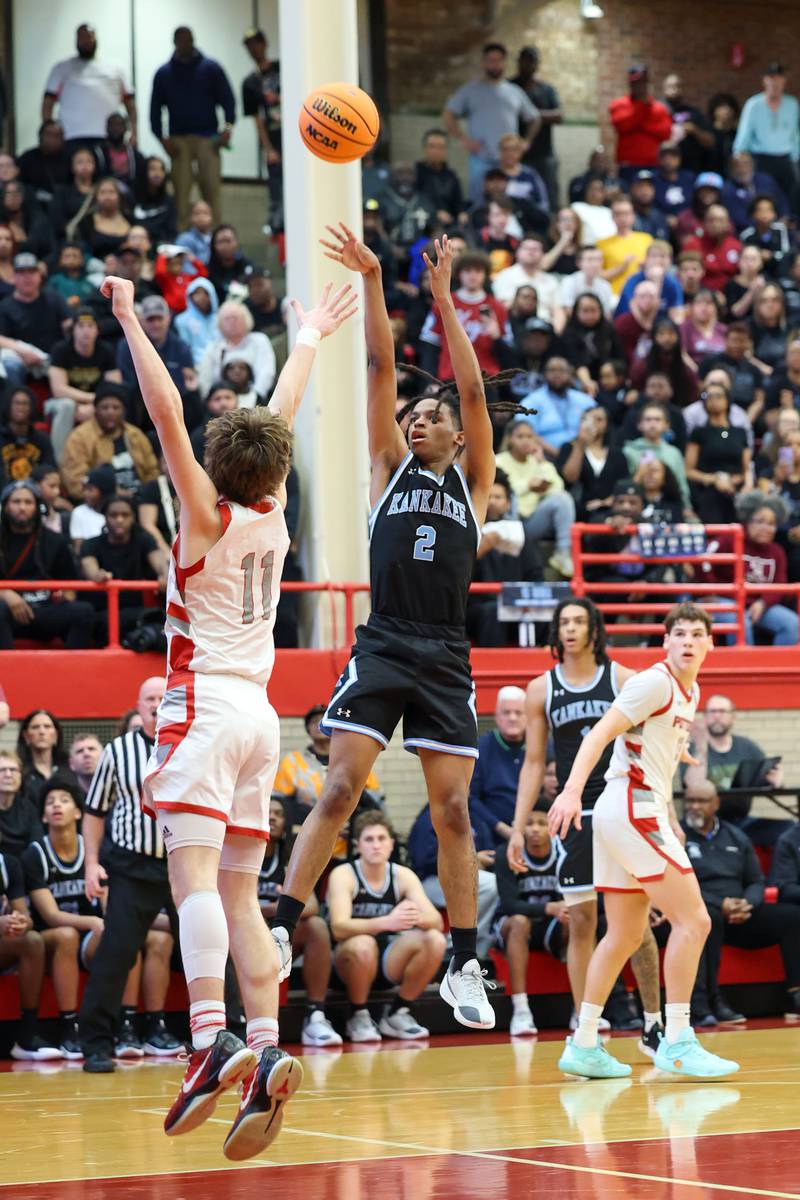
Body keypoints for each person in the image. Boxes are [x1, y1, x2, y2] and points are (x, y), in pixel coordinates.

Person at [103, 270, 354, 1152]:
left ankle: (208, 1040)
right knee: (244, 897)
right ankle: (265, 1042)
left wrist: (131, 318)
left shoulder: (205, 516)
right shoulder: (276, 512)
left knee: (194, 886)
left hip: (204, 702)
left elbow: (166, 413)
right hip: (262, 715)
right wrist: (313, 335)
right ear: (276, 467)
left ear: (219, 468)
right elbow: (278, 412)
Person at [271, 227, 499, 1032]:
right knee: (336, 789)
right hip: (386, 638)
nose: (418, 422)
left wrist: (442, 301)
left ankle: (468, 963)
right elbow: (376, 366)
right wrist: (373, 281)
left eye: (432, 417)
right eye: (414, 416)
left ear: (459, 438)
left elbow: (472, 394)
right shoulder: (385, 468)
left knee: (455, 816)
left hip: (445, 652)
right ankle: (278, 923)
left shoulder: (472, 482)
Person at [549, 602, 739, 1080]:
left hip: (627, 810)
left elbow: (654, 745)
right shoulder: (653, 681)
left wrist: (682, 757)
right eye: (680, 633)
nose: (689, 641)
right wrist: (571, 791)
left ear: (711, 644)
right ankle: (677, 1038)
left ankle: (584, 1041)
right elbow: (599, 734)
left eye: (698, 634)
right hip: (631, 808)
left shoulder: (688, 690)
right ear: (666, 641)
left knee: (626, 933)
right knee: (694, 920)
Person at [509, 598, 666, 1055]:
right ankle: (586, 1028)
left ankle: (653, 1024)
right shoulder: (541, 689)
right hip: (575, 814)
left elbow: (647, 747)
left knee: (635, 922)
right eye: (564, 623)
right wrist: (518, 828)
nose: (571, 629)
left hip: (621, 807)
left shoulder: (623, 679)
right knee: (582, 919)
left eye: (579, 621)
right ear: (555, 633)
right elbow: (534, 763)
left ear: (595, 629)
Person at [76, 678, 183, 1070]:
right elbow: (94, 811)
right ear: (138, 707)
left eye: (164, 698)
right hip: (131, 867)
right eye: (150, 699)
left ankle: (225, 1036)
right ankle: (96, 1044)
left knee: (207, 949)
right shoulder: (117, 751)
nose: (157, 705)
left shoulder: (193, 744)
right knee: (115, 954)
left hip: (183, 865)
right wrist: (91, 863)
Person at [683, 781, 800, 1023]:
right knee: (707, 918)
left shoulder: (736, 836)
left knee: (791, 916)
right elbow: (680, 886)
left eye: (701, 801)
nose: (695, 807)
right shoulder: (679, 838)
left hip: (741, 914)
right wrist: (719, 903)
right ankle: (708, 1002)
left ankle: (795, 995)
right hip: (704, 911)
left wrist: (748, 903)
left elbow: (757, 881)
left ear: (716, 804)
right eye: (690, 801)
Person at [327, 812, 446, 1042]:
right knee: (363, 943)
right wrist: (386, 922)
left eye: (382, 839)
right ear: (357, 845)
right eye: (369, 840)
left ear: (391, 844)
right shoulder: (344, 874)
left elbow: (436, 921)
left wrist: (412, 917)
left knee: (435, 940)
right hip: (347, 963)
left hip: (388, 960)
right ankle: (358, 1015)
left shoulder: (402, 875)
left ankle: (398, 1013)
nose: (376, 845)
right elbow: (338, 928)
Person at [258, 796, 341, 1047]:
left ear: (287, 823)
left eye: (278, 814)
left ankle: (316, 1014)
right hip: (244, 932)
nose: (272, 817)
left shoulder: (289, 859)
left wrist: (267, 909)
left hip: (274, 927)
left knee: (317, 927)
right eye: (267, 811)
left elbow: (313, 905)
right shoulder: (240, 852)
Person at [150, 26, 236, 228]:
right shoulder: (164, 73)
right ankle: (182, 236)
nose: (185, 44)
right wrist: (161, 138)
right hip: (179, 139)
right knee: (181, 191)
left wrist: (228, 127)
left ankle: (214, 235)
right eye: (180, 40)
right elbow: (155, 109)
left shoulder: (211, 68)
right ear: (174, 43)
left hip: (208, 137)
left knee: (211, 188)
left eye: (188, 40)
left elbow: (228, 100)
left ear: (193, 40)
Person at [495, 806, 566, 1036]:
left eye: (541, 823)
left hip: (550, 926)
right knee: (519, 921)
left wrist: (560, 910)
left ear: (552, 826)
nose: (535, 829)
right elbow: (509, 904)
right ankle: (521, 1010)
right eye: (529, 823)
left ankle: (581, 1010)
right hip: (512, 927)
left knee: (577, 921)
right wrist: (549, 907)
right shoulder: (507, 852)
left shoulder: (564, 853)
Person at [0, 481, 95, 650]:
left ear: (37, 507)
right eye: (16, 502)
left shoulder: (55, 541)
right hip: (7, 613)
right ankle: (6, 673)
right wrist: (6, 594)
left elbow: (71, 585)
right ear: (5, 506)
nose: (22, 507)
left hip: (44, 610)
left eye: (28, 502)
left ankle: (71, 672)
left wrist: (64, 595)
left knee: (84, 612)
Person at [443, 43, 540, 202]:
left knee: (510, 202)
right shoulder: (471, 90)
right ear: (483, 62)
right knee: (479, 200)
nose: (495, 64)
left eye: (499, 60)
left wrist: (526, 142)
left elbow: (535, 118)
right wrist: (463, 140)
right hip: (481, 158)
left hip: (509, 161)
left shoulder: (514, 91)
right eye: (491, 60)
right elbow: (448, 114)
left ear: (505, 63)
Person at [0, 834, 62, 1061]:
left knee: (33, 940)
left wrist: (22, 922)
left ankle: (28, 1033)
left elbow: (24, 913)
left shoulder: (8, 864)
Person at [495, 417, 576, 575]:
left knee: (563, 499)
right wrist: (528, 486)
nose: (526, 441)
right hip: (508, 519)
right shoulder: (499, 461)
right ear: (510, 439)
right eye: (520, 437)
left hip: (532, 521)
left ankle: (563, 553)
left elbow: (558, 488)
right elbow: (498, 491)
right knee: (508, 500)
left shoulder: (538, 462)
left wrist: (542, 463)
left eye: (530, 437)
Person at [695, 694, 785, 833]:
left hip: (741, 822)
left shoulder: (747, 748)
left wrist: (776, 782)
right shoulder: (693, 749)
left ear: (733, 716)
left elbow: (764, 778)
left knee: (787, 829)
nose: (717, 716)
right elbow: (688, 785)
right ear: (705, 716)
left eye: (722, 711)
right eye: (712, 711)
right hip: (703, 822)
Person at [42, 23, 137, 151]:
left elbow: (130, 104)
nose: (86, 41)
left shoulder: (117, 68)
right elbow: (48, 103)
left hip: (109, 137)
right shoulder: (61, 68)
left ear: (95, 38)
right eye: (82, 37)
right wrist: (49, 133)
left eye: (89, 36)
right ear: (76, 40)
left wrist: (134, 132)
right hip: (70, 136)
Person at [59, 382, 159, 502]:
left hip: (140, 498)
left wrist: (148, 493)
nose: (110, 412)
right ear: (95, 410)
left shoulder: (135, 434)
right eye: (104, 407)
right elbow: (75, 482)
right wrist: (114, 493)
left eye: (116, 408)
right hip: (102, 501)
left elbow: (152, 471)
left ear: (124, 411)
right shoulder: (79, 437)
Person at [419, 251, 511, 381]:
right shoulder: (442, 303)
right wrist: (430, 380)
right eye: (468, 271)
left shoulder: (498, 308)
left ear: (485, 275)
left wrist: (497, 337)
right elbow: (429, 345)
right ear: (459, 274)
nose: (473, 276)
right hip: (450, 378)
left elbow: (510, 356)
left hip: (487, 379)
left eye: (478, 271)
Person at [47, 308, 122, 461]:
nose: (86, 331)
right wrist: (93, 400)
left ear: (97, 330)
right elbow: (58, 390)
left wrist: (95, 406)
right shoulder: (61, 350)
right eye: (81, 326)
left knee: (113, 406)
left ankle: (110, 461)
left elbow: (115, 388)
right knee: (66, 405)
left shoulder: (106, 351)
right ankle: (60, 462)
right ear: (73, 330)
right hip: (60, 403)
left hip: (94, 403)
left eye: (90, 326)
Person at [732, 63, 799, 207]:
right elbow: (744, 132)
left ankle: (791, 226)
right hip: (761, 158)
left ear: (784, 80)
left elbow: (796, 133)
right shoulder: (753, 104)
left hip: (786, 159)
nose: (775, 82)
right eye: (771, 77)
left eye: (779, 78)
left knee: (792, 197)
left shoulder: (792, 104)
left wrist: (796, 157)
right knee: (764, 196)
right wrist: (738, 153)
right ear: (764, 80)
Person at [0, 254, 70, 389]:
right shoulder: (5, 306)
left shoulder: (54, 298)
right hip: (21, 358)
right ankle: (14, 403)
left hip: (53, 359)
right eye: (21, 272)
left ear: (39, 275)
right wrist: (23, 351)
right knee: (7, 360)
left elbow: (69, 326)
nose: (27, 277)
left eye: (32, 271)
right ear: (13, 277)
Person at [685, 381, 751, 522]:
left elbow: (747, 467)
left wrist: (744, 483)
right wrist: (715, 479)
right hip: (709, 488)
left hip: (737, 488)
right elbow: (689, 470)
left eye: (718, 396)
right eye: (708, 396)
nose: (713, 400)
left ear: (727, 400)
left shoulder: (739, 432)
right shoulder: (699, 433)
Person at [468, 687, 527, 844]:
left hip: (535, 834)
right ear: (497, 716)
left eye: (518, 712)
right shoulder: (481, 748)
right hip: (491, 837)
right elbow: (472, 798)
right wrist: (501, 828)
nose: (512, 718)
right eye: (506, 713)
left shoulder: (542, 747)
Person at [510, 46, 562, 209]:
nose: (528, 65)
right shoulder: (510, 87)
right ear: (518, 62)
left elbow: (559, 115)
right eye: (524, 61)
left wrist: (532, 114)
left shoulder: (546, 89)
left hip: (543, 152)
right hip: (514, 153)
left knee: (549, 195)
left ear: (537, 64)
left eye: (532, 61)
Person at [241, 29, 283, 232]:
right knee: (276, 185)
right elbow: (256, 119)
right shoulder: (249, 83)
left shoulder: (282, 68)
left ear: (264, 44)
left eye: (256, 43)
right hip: (273, 138)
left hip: (299, 134)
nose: (254, 48)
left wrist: (280, 99)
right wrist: (268, 149)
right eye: (249, 45)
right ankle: (277, 225)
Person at [557, 405, 630, 519]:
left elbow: (623, 485)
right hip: (576, 509)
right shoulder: (568, 448)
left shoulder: (617, 455)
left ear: (607, 425)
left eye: (599, 419)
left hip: (609, 510)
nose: (592, 423)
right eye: (587, 419)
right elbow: (569, 478)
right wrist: (580, 444)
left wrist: (605, 502)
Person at [198, 301, 277, 399]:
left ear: (246, 319)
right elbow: (205, 378)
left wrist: (256, 397)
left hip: (254, 399)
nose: (232, 322)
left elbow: (267, 371)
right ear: (220, 324)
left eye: (235, 318)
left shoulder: (259, 340)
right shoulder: (213, 347)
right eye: (227, 318)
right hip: (222, 402)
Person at [623, 401, 692, 512]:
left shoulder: (674, 453)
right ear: (639, 424)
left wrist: (687, 507)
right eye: (648, 419)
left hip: (670, 507)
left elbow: (681, 485)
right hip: (635, 508)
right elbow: (624, 485)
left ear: (666, 425)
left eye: (657, 419)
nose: (652, 424)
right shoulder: (628, 451)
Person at [521, 356, 594, 455]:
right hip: (545, 456)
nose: (557, 374)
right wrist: (558, 455)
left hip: (584, 454)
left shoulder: (585, 401)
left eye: (562, 370)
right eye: (552, 370)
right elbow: (526, 432)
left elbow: (600, 425)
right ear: (545, 374)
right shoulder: (532, 401)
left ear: (570, 374)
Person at [608, 66, 672, 177]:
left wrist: (639, 125)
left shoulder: (659, 108)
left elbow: (666, 133)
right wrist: (642, 107)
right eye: (636, 82)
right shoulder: (618, 105)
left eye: (643, 82)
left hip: (653, 164)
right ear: (630, 84)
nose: (640, 86)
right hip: (628, 164)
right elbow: (622, 126)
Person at [492, 236, 559, 322]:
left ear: (543, 254)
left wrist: (555, 332)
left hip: (544, 327)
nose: (531, 252)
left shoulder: (551, 281)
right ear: (517, 253)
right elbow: (501, 307)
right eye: (526, 248)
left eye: (535, 249)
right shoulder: (505, 276)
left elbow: (558, 311)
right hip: (514, 325)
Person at [597, 197, 653, 297]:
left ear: (633, 215)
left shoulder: (646, 239)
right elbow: (598, 276)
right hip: (614, 296)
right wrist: (622, 267)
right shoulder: (602, 244)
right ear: (612, 217)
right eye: (618, 214)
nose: (622, 218)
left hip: (643, 296)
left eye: (626, 213)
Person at [721, 151, 789, 233]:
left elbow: (782, 201)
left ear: (752, 164)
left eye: (745, 163)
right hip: (747, 231)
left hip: (775, 226)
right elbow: (736, 217)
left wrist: (784, 217)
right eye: (737, 165)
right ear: (731, 168)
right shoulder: (728, 190)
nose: (742, 169)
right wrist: (762, 224)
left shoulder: (766, 180)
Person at [662, 74, 714, 176]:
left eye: (678, 86)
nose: (675, 90)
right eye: (671, 86)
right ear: (664, 89)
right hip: (664, 170)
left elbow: (710, 142)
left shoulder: (693, 113)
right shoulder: (658, 112)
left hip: (689, 170)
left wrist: (694, 130)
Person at [0, 386, 55, 482]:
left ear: (32, 407)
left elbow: (50, 471)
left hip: (35, 493)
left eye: (25, 404)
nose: (20, 407)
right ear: (8, 406)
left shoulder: (43, 440)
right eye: (16, 403)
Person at [556, 246, 617, 331]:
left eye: (598, 260)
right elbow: (568, 309)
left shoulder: (605, 285)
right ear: (579, 263)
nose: (595, 264)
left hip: (598, 326)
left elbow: (606, 314)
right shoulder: (569, 281)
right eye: (590, 259)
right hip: (574, 325)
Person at [414, 129, 466, 226]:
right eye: (432, 146)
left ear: (445, 150)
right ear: (424, 148)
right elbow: (413, 201)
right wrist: (434, 213)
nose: (436, 151)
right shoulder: (415, 173)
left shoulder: (451, 176)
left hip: (449, 225)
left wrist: (462, 213)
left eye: (440, 147)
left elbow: (458, 203)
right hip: (423, 224)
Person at [16, 120, 69, 213]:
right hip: (33, 204)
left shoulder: (69, 158)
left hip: (62, 205)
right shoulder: (28, 157)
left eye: (57, 136)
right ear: (40, 136)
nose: (53, 139)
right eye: (49, 135)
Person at [0, 749, 44, 859]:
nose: (8, 774)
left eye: (14, 770)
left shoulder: (29, 808)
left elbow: (36, 844)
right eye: (2, 770)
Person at [174, 277, 219, 366]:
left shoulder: (219, 319)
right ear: (190, 295)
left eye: (205, 293)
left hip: (218, 362)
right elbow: (185, 347)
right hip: (196, 364)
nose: (202, 297)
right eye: (197, 293)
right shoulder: (182, 320)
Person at [629, 170, 670, 241]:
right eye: (641, 186)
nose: (645, 190)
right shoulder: (625, 214)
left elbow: (663, 245)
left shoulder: (659, 216)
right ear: (632, 189)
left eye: (649, 186)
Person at [175, 199, 214, 265]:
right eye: (197, 213)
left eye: (205, 213)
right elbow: (184, 267)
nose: (201, 217)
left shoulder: (216, 239)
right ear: (191, 218)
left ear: (211, 217)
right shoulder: (184, 239)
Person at [67, 733, 103, 799]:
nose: (86, 754)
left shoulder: (119, 793)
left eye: (91, 749)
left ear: (104, 757)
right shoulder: (67, 797)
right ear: (71, 764)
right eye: (80, 751)